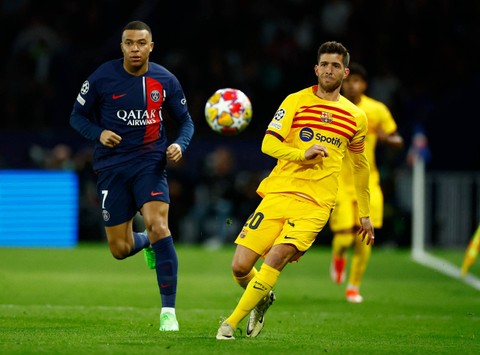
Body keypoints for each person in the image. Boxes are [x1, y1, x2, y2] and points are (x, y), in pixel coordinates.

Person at [216, 41, 375, 340]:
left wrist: (364, 213)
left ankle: (230, 324)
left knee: (275, 258)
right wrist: (302, 154)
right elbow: (268, 144)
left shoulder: (356, 117)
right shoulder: (295, 101)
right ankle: (262, 298)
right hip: (278, 194)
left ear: (345, 72)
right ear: (316, 69)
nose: (329, 70)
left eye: (336, 66)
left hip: (316, 204)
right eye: (325, 64)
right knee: (240, 267)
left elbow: (360, 166)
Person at [69, 20, 194, 331]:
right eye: (129, 43)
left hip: (150, 165)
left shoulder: (165, 80)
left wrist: (179, 144)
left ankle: (168, 312)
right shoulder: (102, 77)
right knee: (119, 250)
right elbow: (76, 116)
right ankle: (146, 243)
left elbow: (186, 122)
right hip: (112, 168)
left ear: (151, 46)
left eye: (141, 43)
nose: (135, 48)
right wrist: (99, 134)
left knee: (158, 224)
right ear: (122, 46)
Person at [329, 62, 403, 303]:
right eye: (349, 81)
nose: (352, 85)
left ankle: (354, 286)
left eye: (357, 81)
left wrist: (387, 139)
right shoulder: (331, 107)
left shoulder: (377, 110)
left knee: (365, 237)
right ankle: (338, 255)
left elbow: (398, 140)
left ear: (364, 84)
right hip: (339, 180)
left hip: (368, 182)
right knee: (344, 238)